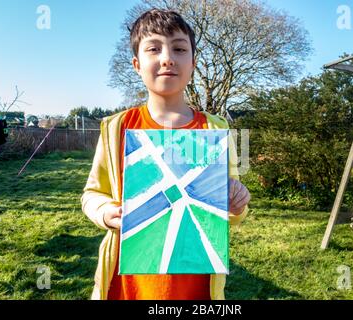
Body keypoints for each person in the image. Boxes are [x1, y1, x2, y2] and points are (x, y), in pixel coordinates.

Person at [81, 8, 251, 300]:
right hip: (128, 288)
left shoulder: (215, 128)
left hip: (196, 289)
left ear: (193, 62)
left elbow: (229, 206)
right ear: (137, 64)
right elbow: (92, 194)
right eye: (154, 48)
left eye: (179, 48)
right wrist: (105, 212)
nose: (167, 58)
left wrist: (238, 201)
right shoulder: (116, 128)